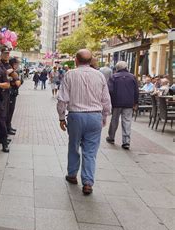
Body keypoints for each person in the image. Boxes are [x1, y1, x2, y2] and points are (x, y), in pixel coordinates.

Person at [57, 49, 111, 195]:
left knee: (74, 145)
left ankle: (72, 174)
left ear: (76, 60)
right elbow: (106, 100)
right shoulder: (99, 76)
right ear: (90, 60)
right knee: (90, 151)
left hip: (76, 116)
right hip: (94, 117)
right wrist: (104, 116)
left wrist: (61, 117)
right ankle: (87, 182)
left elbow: (62, 99)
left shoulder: (70, 75)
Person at [106, 61, 139, 150]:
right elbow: (136, 91)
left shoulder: (114, 77)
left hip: (116, 103)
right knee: (127, 121)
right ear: (126, 67)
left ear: (117, 68)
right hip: (129, 103)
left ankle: (111, 137)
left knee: (114, 120)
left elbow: (110, 91)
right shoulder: (132, 77)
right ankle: (126, 142)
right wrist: (135, 102)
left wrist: (110, 102)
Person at [0, 47, 16, 144]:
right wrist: (8, 74)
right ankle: (1, 137)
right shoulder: (0, 64)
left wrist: (10, 74)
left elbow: (16, 77)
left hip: (7, 92)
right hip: (1, 92)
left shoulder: (7, 64)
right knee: (2, 116)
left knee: (6, 114)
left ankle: (3, 136)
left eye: (8, 53)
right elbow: (2, 76)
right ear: (1, 54)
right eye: (5, 53)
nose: (7, 55)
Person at [7, 57, 22, 135]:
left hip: (13, 94)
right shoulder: (11, 72)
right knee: (9, 112)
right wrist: (19, 80)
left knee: (11, 111)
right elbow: (17, 83)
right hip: (10, 94)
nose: (17, 65)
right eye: (16, 64)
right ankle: (7, 128)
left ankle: (9, 126)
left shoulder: (14, 72)